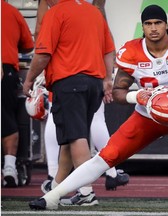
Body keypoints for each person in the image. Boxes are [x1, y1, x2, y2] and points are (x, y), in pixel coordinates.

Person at [28, 4, 168, 212]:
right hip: (147, 116)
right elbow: (118, 92)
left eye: (158, 23)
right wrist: (138, 95)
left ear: (166, 25)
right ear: (143, 27)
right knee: (104, 157)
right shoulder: (132, 51)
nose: (153, 28)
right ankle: (52, 197)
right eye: (148, 23)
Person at [34, 0, 129, 205]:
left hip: (69, 80)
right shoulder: (94, 12)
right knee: (74, 135)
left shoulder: (56, 13)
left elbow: (42, 53)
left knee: (75, 136)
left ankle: (86, 192)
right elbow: (108, 48)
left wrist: (28, 79)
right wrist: (106, 79)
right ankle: (56, 188)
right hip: (93, 81)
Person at [1, 0, 34, 187]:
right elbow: (28, 45)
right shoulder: (11, 11)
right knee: (7, 117)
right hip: (6, 69)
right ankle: (9, 167)